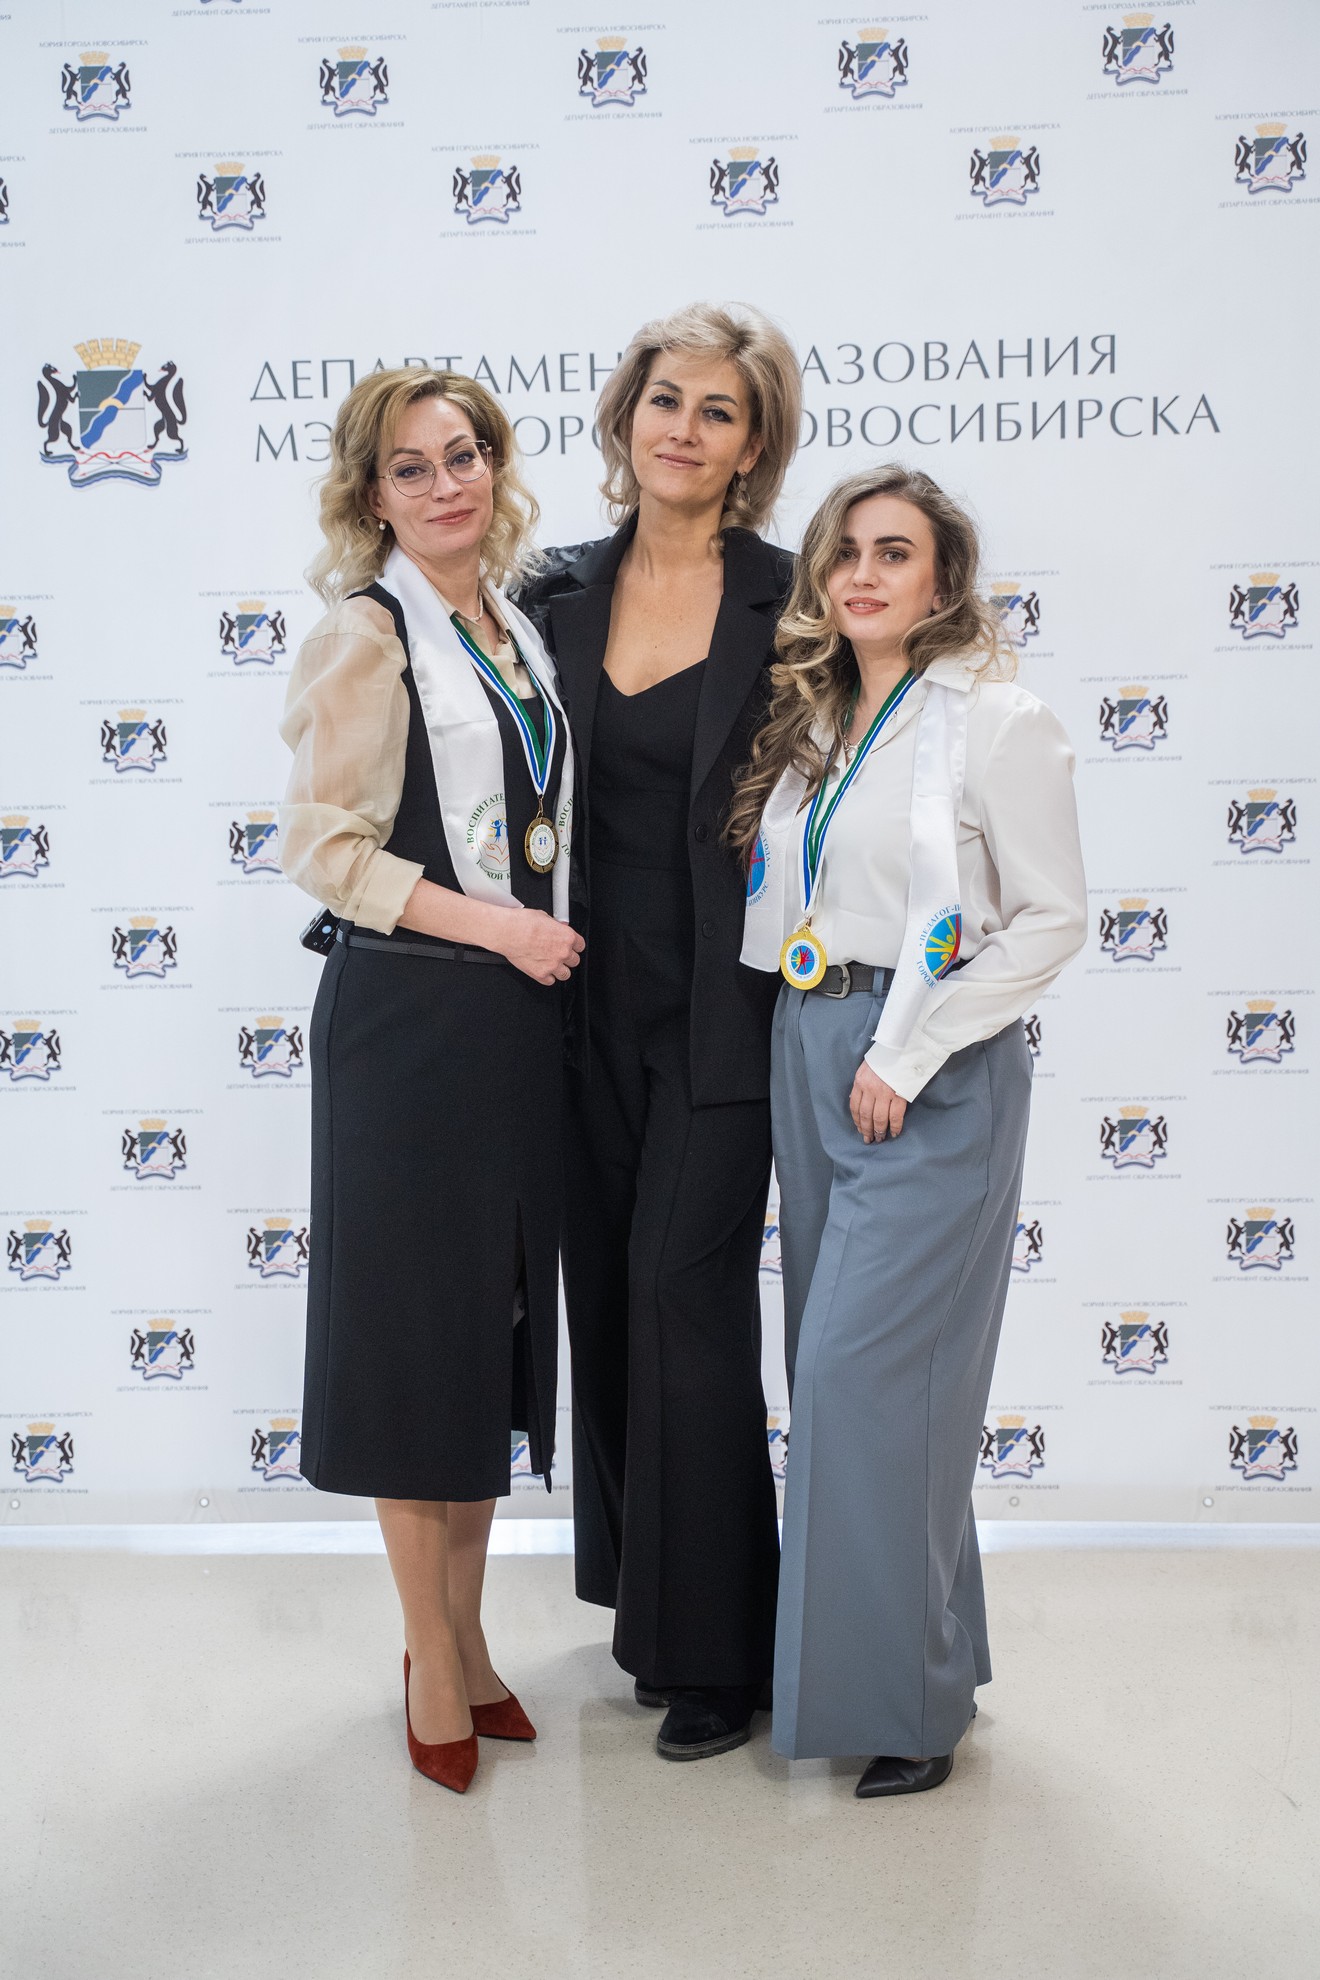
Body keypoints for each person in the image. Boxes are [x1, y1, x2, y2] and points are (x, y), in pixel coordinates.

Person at [731, 465, 1087, 1797]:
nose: (864, 574)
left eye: (895, 552)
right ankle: (936, 1657)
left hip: (926, 1065)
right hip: (812, 1044)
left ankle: (903, 1710)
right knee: (876, 1389)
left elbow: (1051, 921)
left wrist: (908, 1047)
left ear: (944, 577)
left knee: (859, 1382)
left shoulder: (997, 720)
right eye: (845, 552)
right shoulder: (820, 721)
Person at [279, 369, 582, 1794]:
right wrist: (502, 930)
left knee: (484, 1347)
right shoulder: (367, 631)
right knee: (415, 1355)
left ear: (495, 466)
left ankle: (460, 1641)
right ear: (373, 495)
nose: (447, 484)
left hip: (512, 1034)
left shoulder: (513, 625)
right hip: (409, 1030)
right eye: (412, 468)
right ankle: (430, 1658)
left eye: (464, 455)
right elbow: (327, 850)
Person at [519, 302, 801, 1761]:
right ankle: (648, 1605)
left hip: (726, 1008)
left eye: (719, 411)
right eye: (665, 400)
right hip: (570, 1006)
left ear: (755, 447)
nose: (683, 430)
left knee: (686, 1302)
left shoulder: (794, 598)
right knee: (610, 1306)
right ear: (627, 414)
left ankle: (718, 1652)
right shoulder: (548, 590)